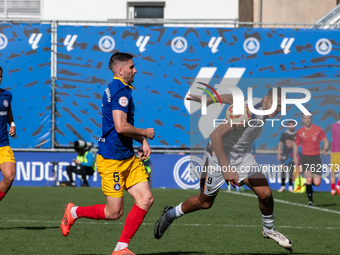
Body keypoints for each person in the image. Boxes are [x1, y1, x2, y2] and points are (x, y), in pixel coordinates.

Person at [154, 87, 293, 250]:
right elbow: (215, 135)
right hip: (217, 157)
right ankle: (170, 215)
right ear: (265, 99)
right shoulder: (249, 112)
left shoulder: (258, 105)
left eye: (280, 107)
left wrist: (208, 100)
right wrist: (226, 169)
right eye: (275, 104)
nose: (276, 110)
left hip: (242, 156)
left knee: (266, 194)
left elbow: (229, 98)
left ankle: (269, 230)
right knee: (204, 203)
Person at [60, 52, 155, 255]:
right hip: (112, 159)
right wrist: (145, 132)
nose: (135, 70)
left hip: (127, 156)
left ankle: (121, 248)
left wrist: (142, 140)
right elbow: (121, 127)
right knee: (114, 213)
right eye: (131, 67)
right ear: (120, 70)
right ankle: (74, 211)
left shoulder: (119, 88)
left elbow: (121, 125)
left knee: (145, 199)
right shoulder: (120, 91)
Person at [293, 112, 329, 206]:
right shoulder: (300, 132)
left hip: (316, 158)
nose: (307, 120)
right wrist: (295, 157)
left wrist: (325, 149)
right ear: (302, 119)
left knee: (317, 183)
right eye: (305, 118)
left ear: (311, 118)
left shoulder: (318, 129)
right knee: (308, 180)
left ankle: (312, 182)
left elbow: (325, 141)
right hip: (305, 158)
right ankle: (310, 201)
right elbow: (296, 144)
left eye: (309, 118)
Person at [0, 66, 16, 206]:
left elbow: (8, 111)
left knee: (9, 177)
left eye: (0, 76)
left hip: (3, 145)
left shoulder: (7, 95)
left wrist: (12, 124)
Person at [277, 121, 297, 192]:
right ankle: (283, 186)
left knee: (291, 171)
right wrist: (279, 154)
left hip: (293, 155)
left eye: (292, 125)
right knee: (283, 170)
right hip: (285, 154)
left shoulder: (297, 134)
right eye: (290, 125)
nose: (291, 126)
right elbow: (280, 143)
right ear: (288, 126)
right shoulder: (284, 133)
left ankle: (291, 186)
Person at [330, 112, 340, 195]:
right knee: (333, 171)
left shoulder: (333, 126)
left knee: (333, 171)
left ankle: (334, 189)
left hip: (334, 151)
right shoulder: (334, 126)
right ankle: (335, 187)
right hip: (335, 151)